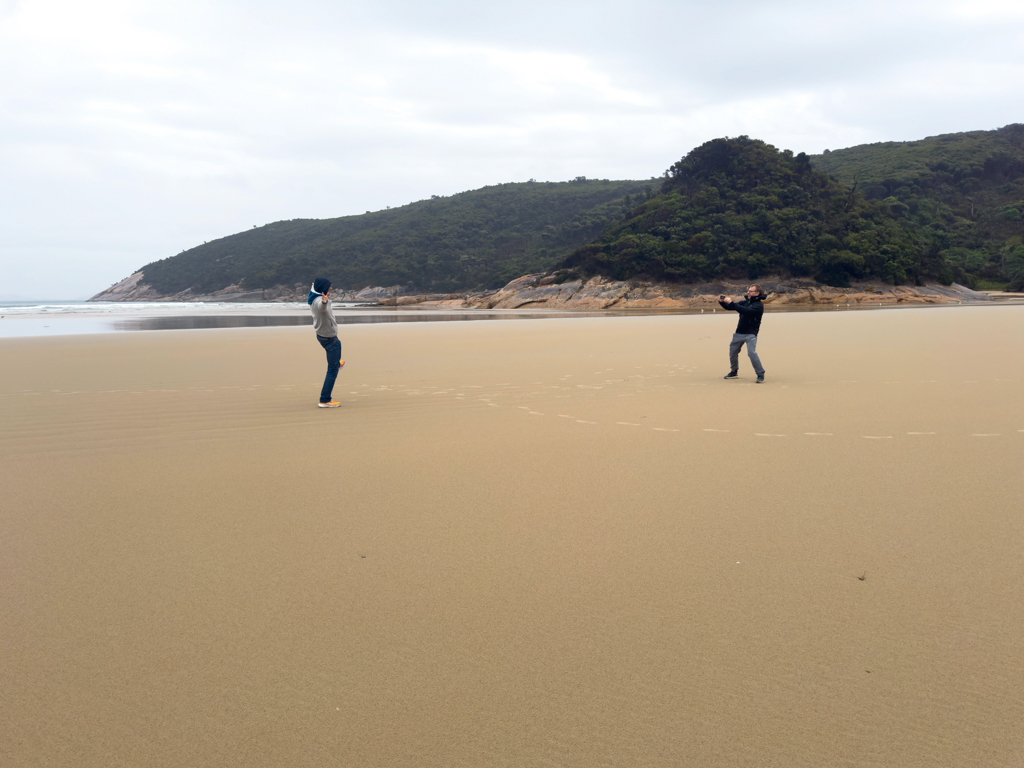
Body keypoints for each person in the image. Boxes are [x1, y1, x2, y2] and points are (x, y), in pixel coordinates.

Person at [308, 276, 345, 407]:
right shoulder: (319, 301)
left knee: (338, 345)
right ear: (322, 290)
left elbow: (314, 288)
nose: (329, 292)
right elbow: (321, 307)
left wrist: (315, 285)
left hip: (323, 335)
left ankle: (337, 362)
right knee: (332, 371)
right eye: (328, 289)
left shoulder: (312, 295)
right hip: (328, 338)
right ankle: (325, 399)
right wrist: (324, 302)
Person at [719, 285, 766, 383]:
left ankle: (760, 374)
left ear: (757, 293)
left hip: (751, 333)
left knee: (751, 353)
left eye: (750, 291)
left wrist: (732, 303)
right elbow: (730, 307)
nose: (748, 292)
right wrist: (722, 302)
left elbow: (746, 311)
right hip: (739, 332)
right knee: (733, 352)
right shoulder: (744, 302)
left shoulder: (758, 305)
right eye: (748, 291)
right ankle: (734, 371)